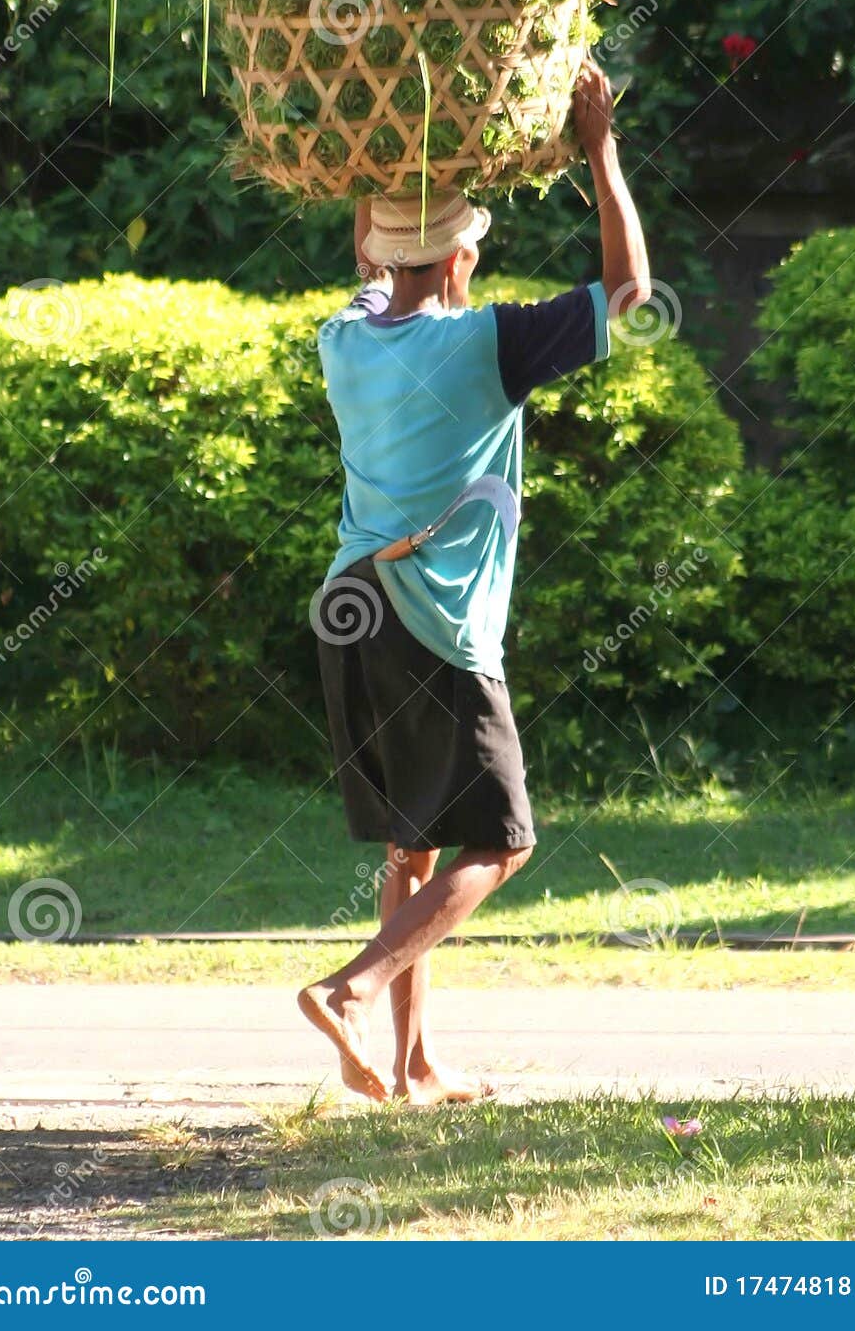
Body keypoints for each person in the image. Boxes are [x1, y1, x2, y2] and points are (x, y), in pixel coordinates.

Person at [299, 59, 650, 1104]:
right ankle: (351, 993)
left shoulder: (344, 339)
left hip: (349, 607)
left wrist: (389, 130)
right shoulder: (485, 346)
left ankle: (412, 1065)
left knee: (412, 840)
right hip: (434, 624)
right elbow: (628, 293)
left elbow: (373, 248)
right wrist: (598, 145)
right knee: (500, 841)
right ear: (459, 258)